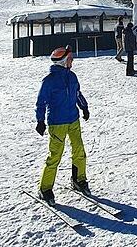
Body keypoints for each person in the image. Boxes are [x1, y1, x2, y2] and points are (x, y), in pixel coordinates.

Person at [36, 47, 90, 203]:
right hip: (57, 123)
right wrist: (40, 120)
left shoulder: (72, 77)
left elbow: (78, 94)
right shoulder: (49, 80)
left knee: (79, 150)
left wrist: (84, 107)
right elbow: (41, 102)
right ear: (63, 61)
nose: (72, 61)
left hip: (73, 119)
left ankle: (78, 180)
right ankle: (45, 188)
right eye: (70, 59)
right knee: (55, 156)